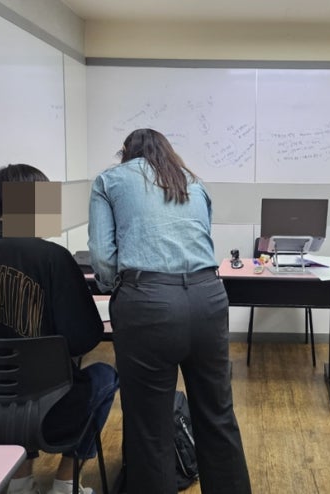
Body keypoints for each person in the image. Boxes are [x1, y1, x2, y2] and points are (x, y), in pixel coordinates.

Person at [0, 164, 119, 494]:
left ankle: (19, 479)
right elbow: (83, 339)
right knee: (104, 375)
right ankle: (65, 481)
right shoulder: (53, 257)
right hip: (52, 415)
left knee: (20, 386)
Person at [88, 128, 251, 494]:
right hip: (209, 298)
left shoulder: (109, 181)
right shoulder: (193, 182)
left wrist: (119, 286)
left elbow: (102, 257)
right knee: (218, 416)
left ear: (126, 153)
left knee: (149, 427)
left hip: (147, 304)